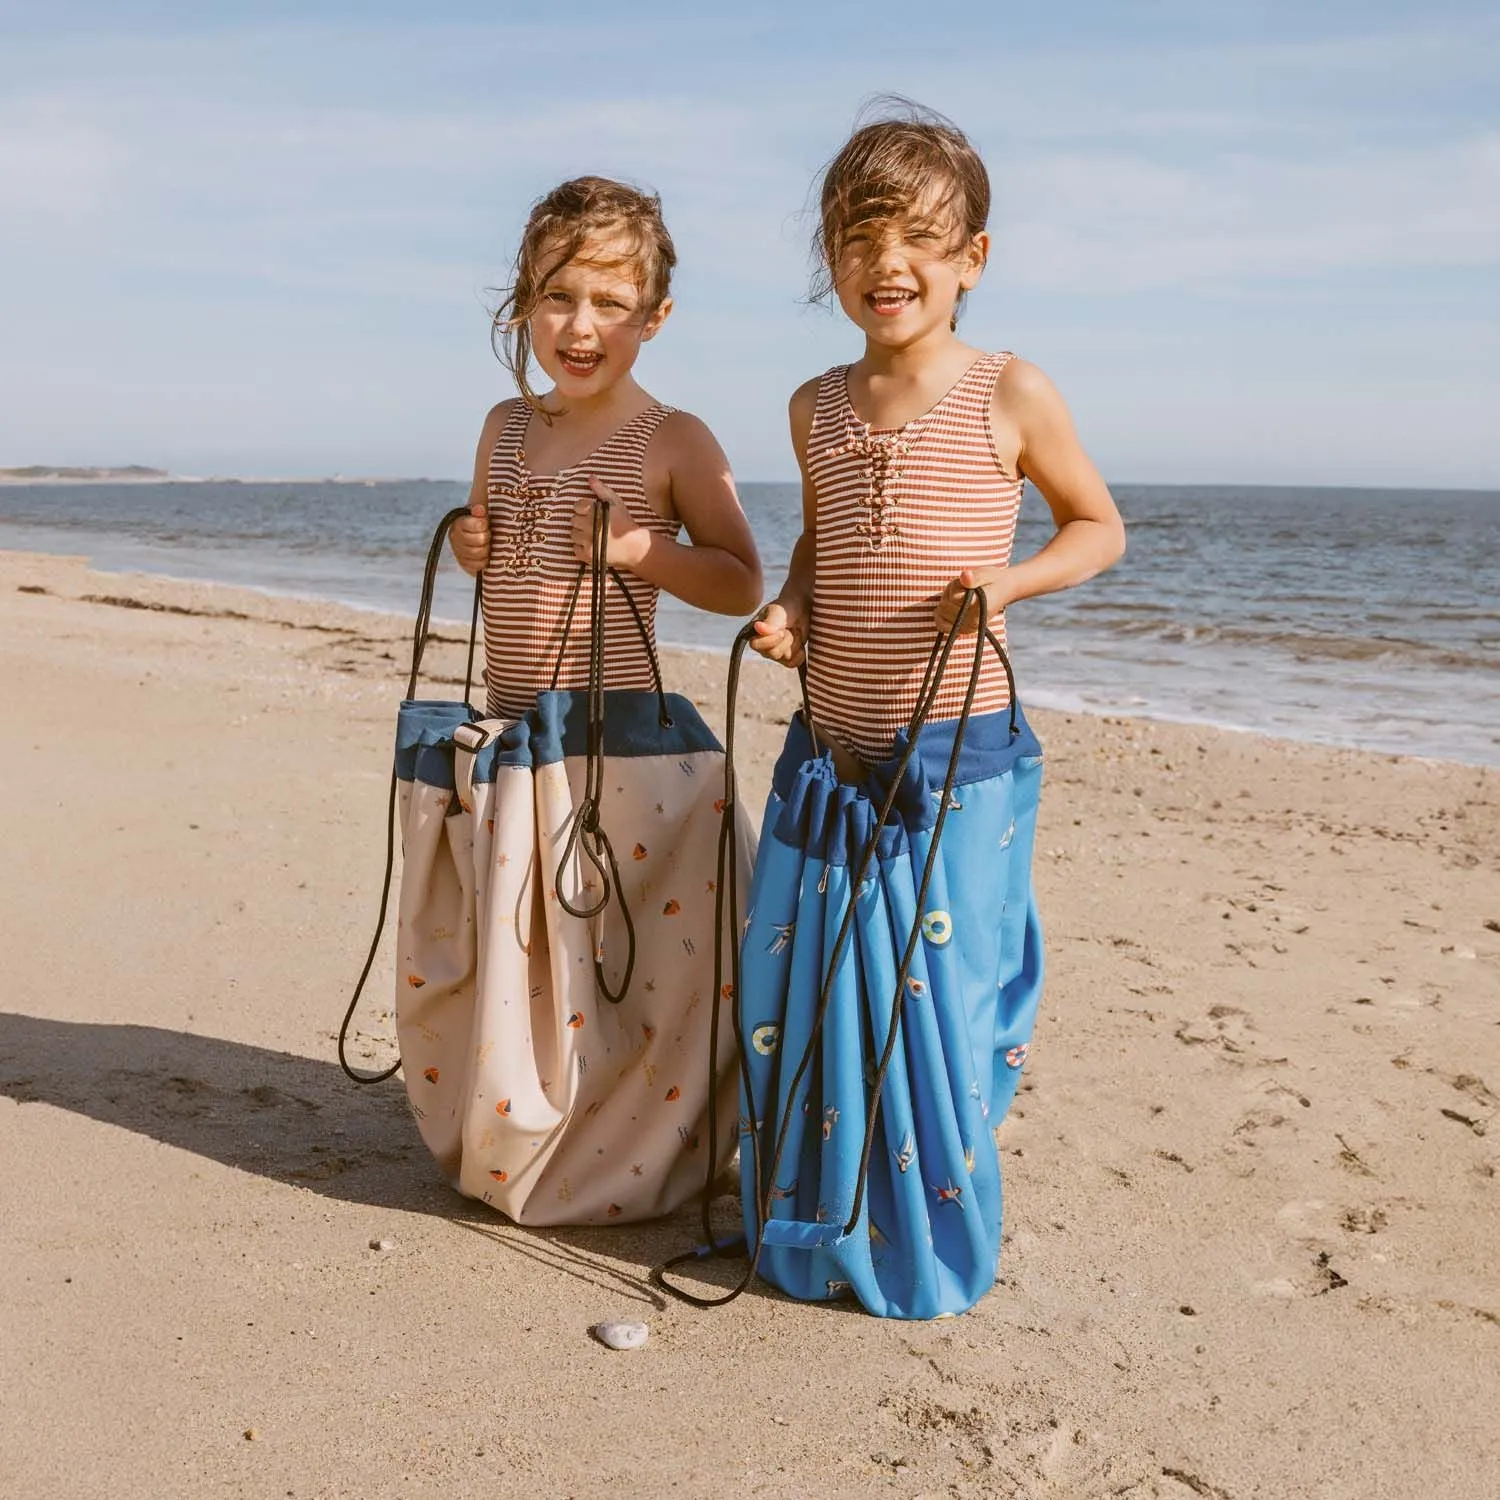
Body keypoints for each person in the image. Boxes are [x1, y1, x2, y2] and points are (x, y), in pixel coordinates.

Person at [738, 102, 1126, 1317]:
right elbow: (816, 540)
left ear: (973, 258)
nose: (886, 263)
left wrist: (1007, 583)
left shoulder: (1011, 391)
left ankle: (923, 1243)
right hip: (833, 743)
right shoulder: (813, 406)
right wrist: (790, 611)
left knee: (934, 1005)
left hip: (960, 750)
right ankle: (816, 1215)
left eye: (916, 237)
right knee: (816, 985)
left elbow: (1098, 528)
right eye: (858, 238)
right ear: (830, 260)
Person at [394, 176, 762, 1227]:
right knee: (522, 965)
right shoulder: (504, 428)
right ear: (522, 303)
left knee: (618, 970)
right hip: (513, 737)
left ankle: (632, 1157)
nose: (581, 326)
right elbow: (496, 564)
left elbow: (740, 577)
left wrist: (643, 548)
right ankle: (528, 1139)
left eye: (610, 303)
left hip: (619, 754)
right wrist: (472, 543)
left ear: (656, 316)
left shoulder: (672, 440)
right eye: (558, 298)